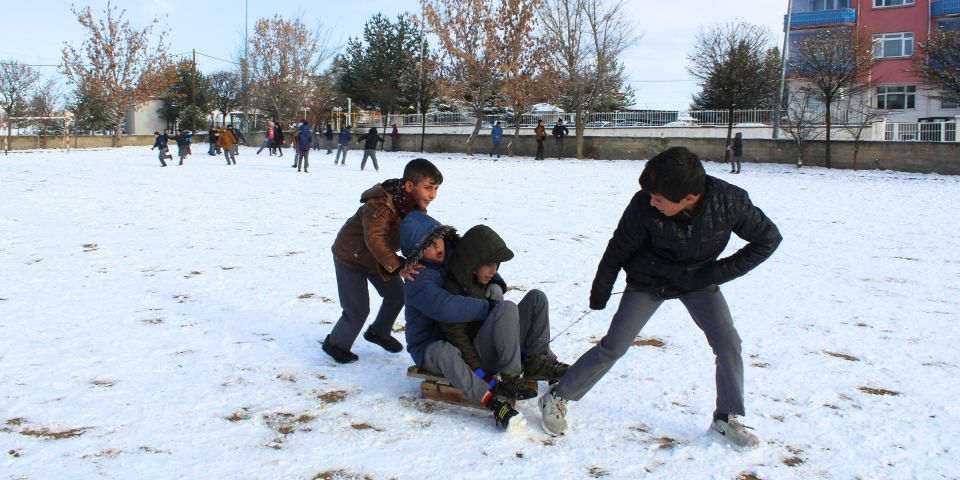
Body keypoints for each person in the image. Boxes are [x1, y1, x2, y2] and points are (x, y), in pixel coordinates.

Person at [537, 147, 782, 449]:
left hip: (698, 280)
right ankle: (558, 396)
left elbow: (768, 239)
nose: (652, 202)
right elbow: (619, 247)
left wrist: (711, 275)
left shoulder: (730, 201)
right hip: (649, 280)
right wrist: (601, 287)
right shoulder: (644, 204)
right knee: (614, 346)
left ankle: (726, 417)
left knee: (728, 343)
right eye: (651, 195)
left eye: (660, 199)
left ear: (690, 197)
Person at [398, 213, 526, 431]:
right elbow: (445, 307)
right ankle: (492, 402)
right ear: (416, 253)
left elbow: (477, 260)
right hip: (429, 345)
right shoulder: (417, 278)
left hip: (462, 335)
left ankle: (517, 372)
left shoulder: (449, 255)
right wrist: (488, 308)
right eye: (428, 245)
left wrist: (495, 283)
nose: (437, 247)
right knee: (444, 351)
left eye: (437, 239)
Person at [323, 158, 443, 364]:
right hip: (350, 257)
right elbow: (375, 238)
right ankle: (336, 344)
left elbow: (414, 236)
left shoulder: (415, 206)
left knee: (398, 294)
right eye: (428, 188)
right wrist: (399, 266)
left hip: (377, 258)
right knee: (358, 309)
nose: (433, 194)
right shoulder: (380, 204)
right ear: (409, 186)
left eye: (436, 188)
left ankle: (379, 332)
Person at [440, 224, 570, 391]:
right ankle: (511, 378)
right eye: (488, 264)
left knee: (537, 297)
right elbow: (457, 338)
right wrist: (479, 372)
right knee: (507, 308)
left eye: (496, 264)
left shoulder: (484, 280)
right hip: (481, 357)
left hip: (502, 346)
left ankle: (537, 361)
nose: (494, 271)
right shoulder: (453, 289)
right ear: (473, 263)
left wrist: (495, 285)